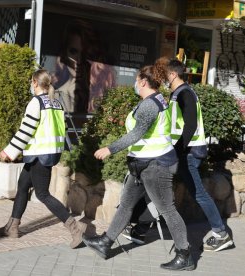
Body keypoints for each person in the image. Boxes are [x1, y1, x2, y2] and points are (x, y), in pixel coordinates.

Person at [82, 65, 195, 271]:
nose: (135, 83)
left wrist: (110, 148)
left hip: (156, 166)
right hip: (141, 164)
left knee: (167, 210)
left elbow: (137, 134)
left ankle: (184, 254)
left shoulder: (150, 105)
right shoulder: (158, 99)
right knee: (125, 204)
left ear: (143, 82)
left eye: (136, 80)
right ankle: (105, 243)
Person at [0, 69, 87, 249]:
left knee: (42, 194)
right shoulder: (56, 103)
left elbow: (26, 130)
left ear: (35, 83)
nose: (30, 85)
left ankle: (75, 229)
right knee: (22, 186)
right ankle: (12, 227)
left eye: (31, 82)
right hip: (46, 154)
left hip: (39, 155)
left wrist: (8, 151)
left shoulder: (36, 103)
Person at [162, 58, 234, 252]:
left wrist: (177, 150)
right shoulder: (179, 93)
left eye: (165, 74)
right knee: (166, 186)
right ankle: (143, 226)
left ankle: (221, 233)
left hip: (189, 153)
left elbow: (190, 125)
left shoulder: (185, 93)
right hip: (186, 152)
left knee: (199, 194)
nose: (163, 78)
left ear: (173, 74)